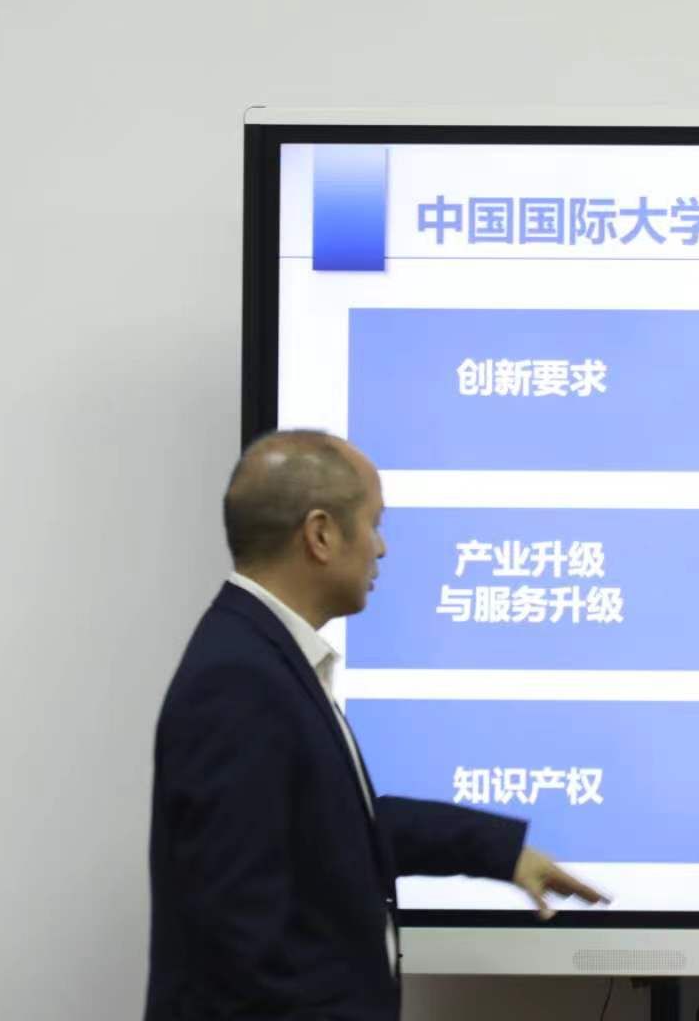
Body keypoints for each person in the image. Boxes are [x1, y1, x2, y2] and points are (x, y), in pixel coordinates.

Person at [146, 430, 606, 1020]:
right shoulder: (239, 680)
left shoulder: (259, 654)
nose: (381, 548)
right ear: (320, 534)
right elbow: (238, 942)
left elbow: (333, 828)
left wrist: (500, 852)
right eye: (374, 523)